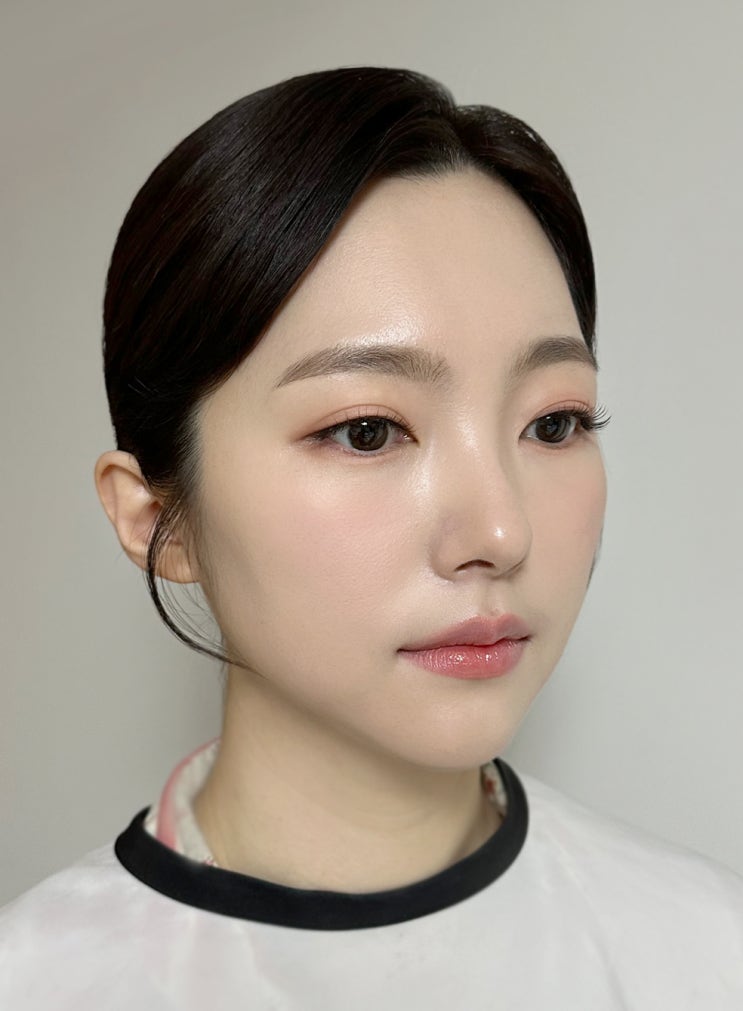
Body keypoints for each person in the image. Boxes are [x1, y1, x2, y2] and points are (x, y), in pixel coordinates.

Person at [2, 66, 742, 1008]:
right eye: (366, 431)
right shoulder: (38, 982)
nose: (499, 530)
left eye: (552, 423)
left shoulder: (706, 954)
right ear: (157, 519)